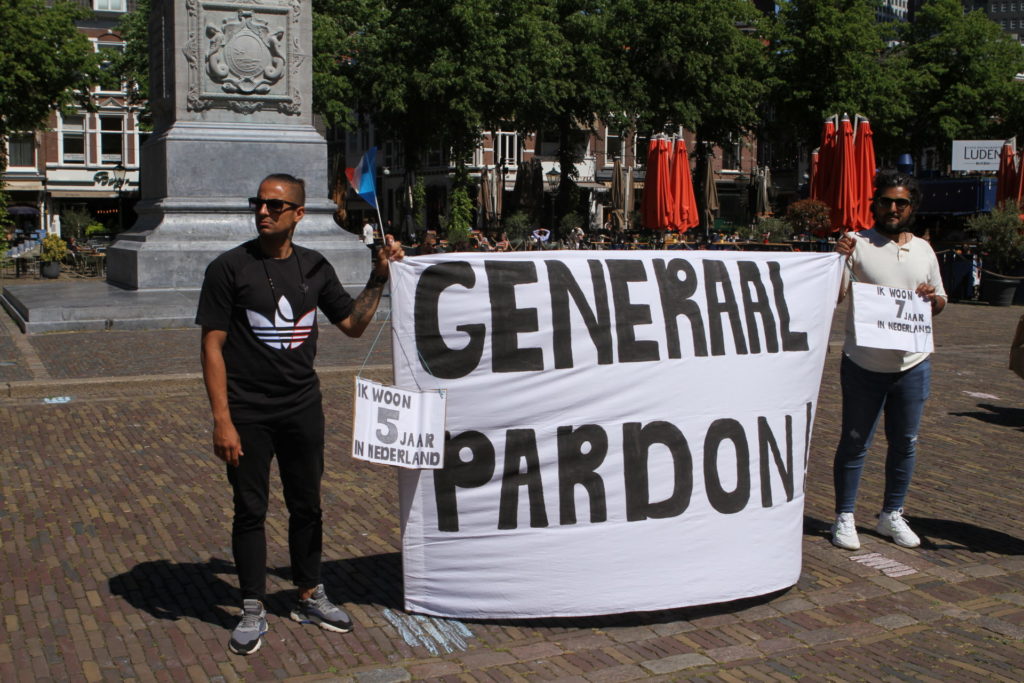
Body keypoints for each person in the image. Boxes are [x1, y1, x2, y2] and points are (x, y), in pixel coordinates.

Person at [196, 173, 404, 655]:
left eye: (275, 205)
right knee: (250, 509)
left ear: (297, 215)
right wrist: (222, 419)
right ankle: (252, 606)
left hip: (302, 408)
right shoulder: (229, 268)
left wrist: (379, 276)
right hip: (247, 412)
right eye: (259, 203)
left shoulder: (314, 267)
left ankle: (309, 592)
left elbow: (352, 325)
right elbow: (212, 346)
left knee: (307, 506)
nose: (264, 211)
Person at [830, 171, 946, 552]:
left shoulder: (925, 250)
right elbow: (835, 297)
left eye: (901, 202)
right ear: (874, 204)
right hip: (864, 363)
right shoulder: (856, 244)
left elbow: (941, 302)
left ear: (912, 207)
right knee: (854, 441)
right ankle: (844, 515)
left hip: (913, 364)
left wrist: (932, 299)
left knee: (906, 443)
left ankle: (891, 513)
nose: (893, 209)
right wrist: (835, 261)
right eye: (885, 201)